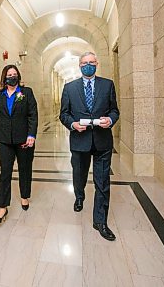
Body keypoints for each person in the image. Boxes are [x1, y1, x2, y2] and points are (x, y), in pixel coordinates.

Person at [59, 52, 119, 241]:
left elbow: (114, 110)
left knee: (102, 182)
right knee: (79, 174)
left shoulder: (107, 84)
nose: (88, 65)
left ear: (97, 64)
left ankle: (100, 221)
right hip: (79, 141)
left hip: (102, 141)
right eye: (84, 63)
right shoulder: (69, 88)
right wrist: (73, 124)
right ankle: (79, 195)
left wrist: (110, 119)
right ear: (79, 66)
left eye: (91, 62)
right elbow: (64, 114)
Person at [0, 64, 38, 223]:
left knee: (24, 169)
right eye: (9, 74)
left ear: (18, 76)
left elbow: (33, 115)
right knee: (5, 172)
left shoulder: (26, 92)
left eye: (14, 74)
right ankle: (2, 206)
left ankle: (24, 196)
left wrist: (31, 134)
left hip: (23, 138)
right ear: (4, 77)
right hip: (4, 139)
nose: (12, 76)